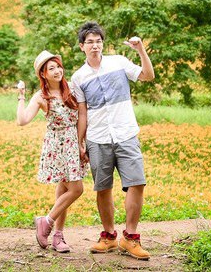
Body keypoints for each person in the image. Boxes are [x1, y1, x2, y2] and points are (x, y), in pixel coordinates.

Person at [72, 21, 155, 260]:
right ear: (82, 47)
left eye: (98, 41)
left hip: (126, 132)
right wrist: (80, 142)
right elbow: (83, 112)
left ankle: (130, 238)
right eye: (90, 42)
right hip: (97, 138)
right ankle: (108, 237)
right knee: (103, 187)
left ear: (102, 44)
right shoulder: (79, 77)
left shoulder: (118, 62)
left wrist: (140, 50)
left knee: (136, 182)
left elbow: (147, 75)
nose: (95, 45)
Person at [16, 50, 88, 253]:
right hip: (57, 147)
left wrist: (82, 142)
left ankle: (58, 236)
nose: (57, 71)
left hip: (73, 143)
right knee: (76, 190)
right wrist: (21, 97)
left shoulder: (72, 89)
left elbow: (83, 114)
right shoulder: (41, 97)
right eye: (51, 68)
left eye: (58, 66)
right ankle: (45, 221)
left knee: (65, 190)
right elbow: (22, 120)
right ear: (43, 74)